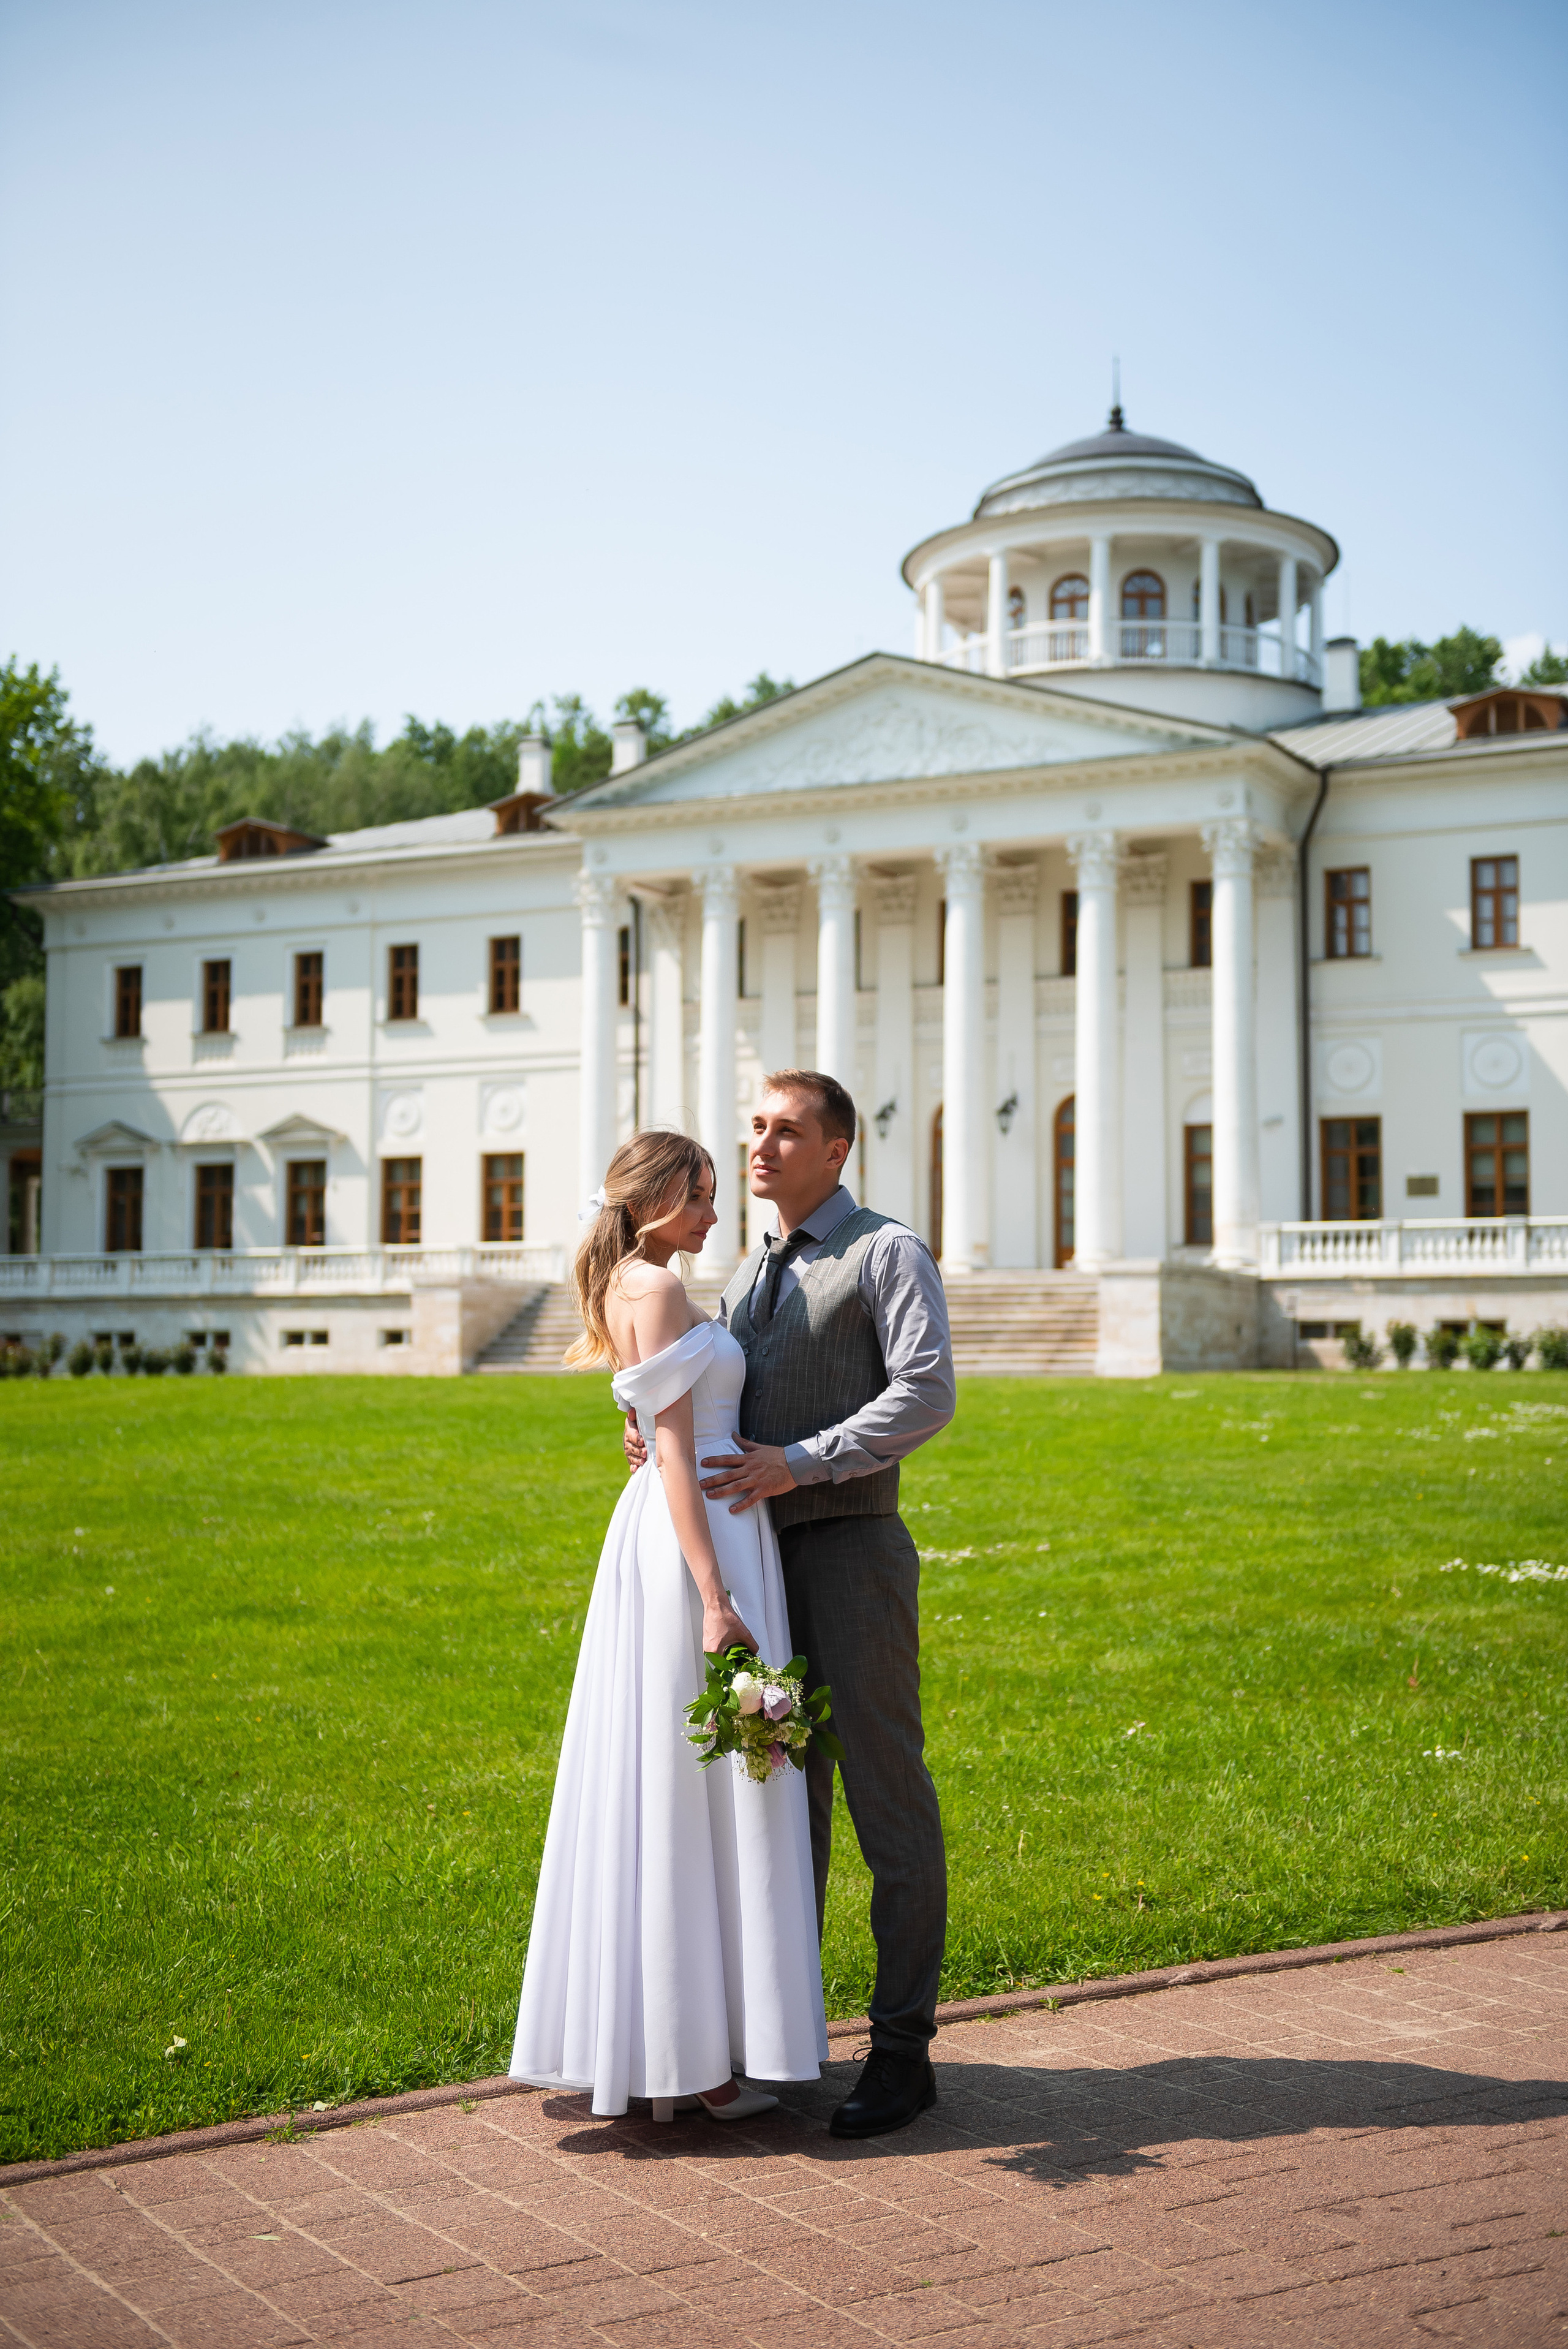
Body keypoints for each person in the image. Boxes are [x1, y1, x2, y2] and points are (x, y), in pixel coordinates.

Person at [624, 1070, 955, 2139]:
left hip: (852, 1555)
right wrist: (658, 1429)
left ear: (837, 1150)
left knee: (887, 1801)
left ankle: (902, 2051)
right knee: (776, 1806)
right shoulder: (749, 1270)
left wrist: (800, 1460)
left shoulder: (886, 1251)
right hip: (759, 1567)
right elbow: (712, 1398)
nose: (760, 1147)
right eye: (755, 1128)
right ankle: (781, 2036)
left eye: (786, 1131)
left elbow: (927, 1392)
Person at [510, 1128, 827, 2120]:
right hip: (701, 1538)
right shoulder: (652, 1286)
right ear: (651, 1197)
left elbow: (656, 1427)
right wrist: (716, 1597)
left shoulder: (635, 1282)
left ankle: (691, 2046)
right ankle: (701, 2064)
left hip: (690, 1527)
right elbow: (679, 1453)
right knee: (706, 1779)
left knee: (690, 1778)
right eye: (698, 1196)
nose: (713, 1214)